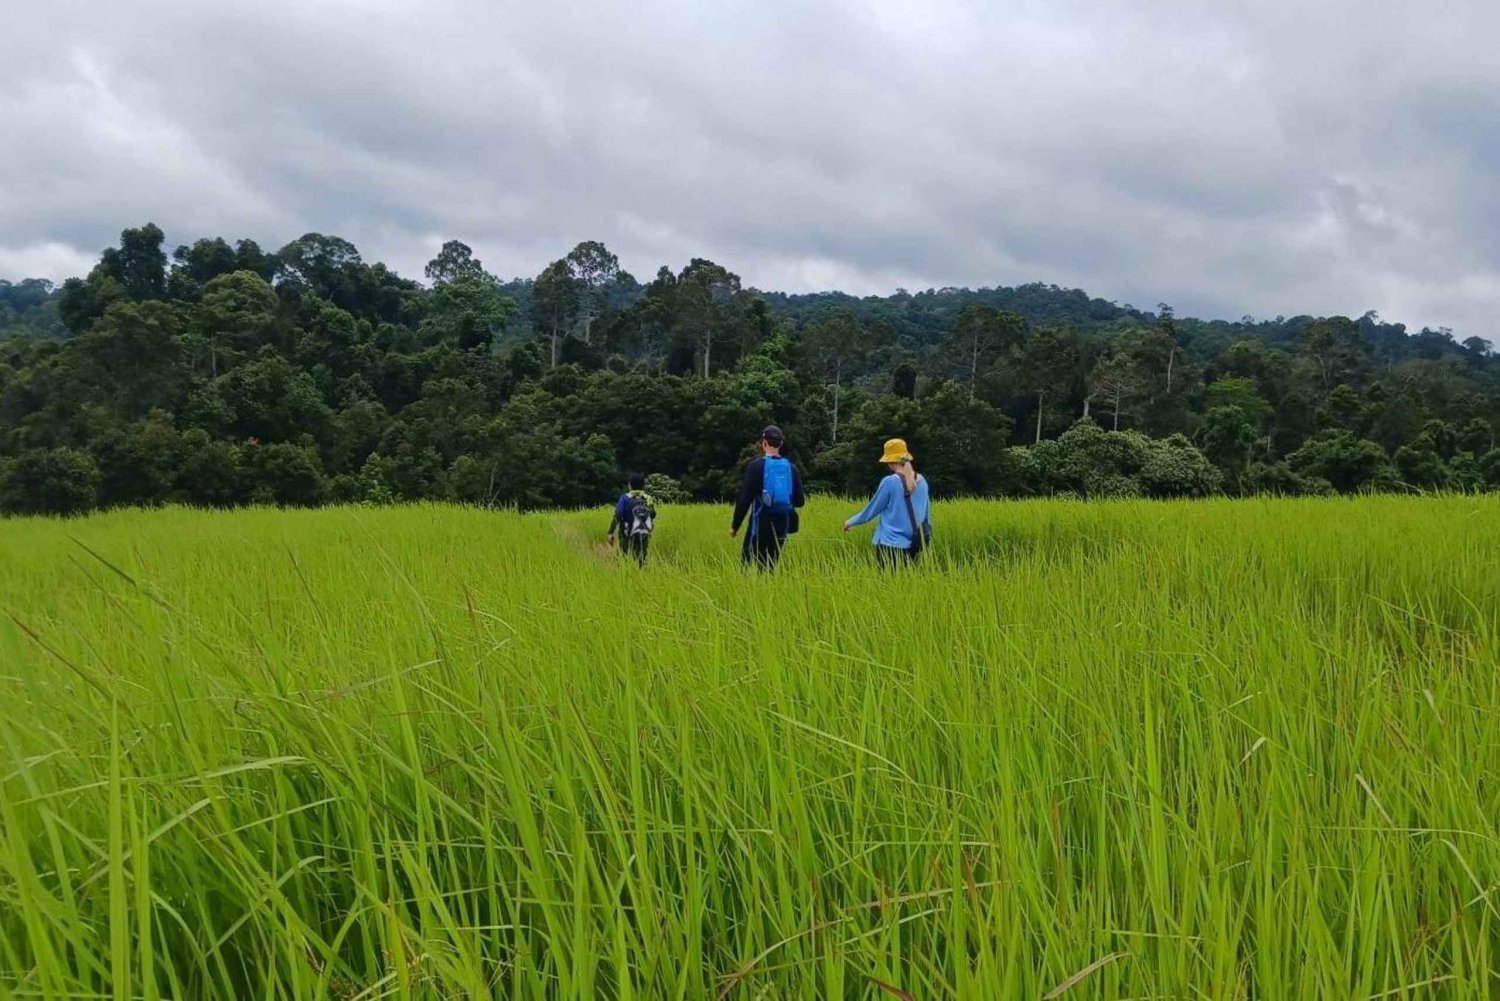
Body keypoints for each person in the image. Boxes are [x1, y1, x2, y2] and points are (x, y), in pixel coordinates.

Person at [844, 438, 932, 570]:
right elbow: (926, 515)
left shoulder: (889, 482)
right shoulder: (922, 481)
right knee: (905, 586)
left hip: (889, 545)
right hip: (914, 545)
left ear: (890, 461)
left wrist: (851, 521)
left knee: (886, 585)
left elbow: (872, 510)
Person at [730, 425, 806, 571]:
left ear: (763, 443)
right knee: (769, 568)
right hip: (782, 525)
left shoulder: (755, 467)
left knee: (747, 567)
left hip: (760, 522)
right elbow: (800, 501)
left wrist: (735, 526)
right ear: (781, 443)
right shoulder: (792, 468)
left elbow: (744, 500)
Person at [607, 473, 656, 566]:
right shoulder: (648, 498)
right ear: (643, 485)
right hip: (643, 534)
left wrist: (611, 532)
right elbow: (652, 514)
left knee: (624, 560)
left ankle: (625, 579)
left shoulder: (625, 498)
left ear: (629, 485)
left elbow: (618, 515)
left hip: (626, 534)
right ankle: (642, 578)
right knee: (641, 560)